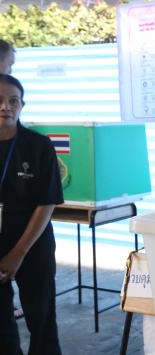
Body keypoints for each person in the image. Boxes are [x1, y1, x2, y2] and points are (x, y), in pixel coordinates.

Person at [0, 74, 64, 354]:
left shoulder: (39, 146)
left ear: (22, 105)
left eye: (13, 101)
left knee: (42, 323)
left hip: (32, 245)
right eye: (0, 101)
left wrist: (19, 252)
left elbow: (46, 203)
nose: (6, 107)